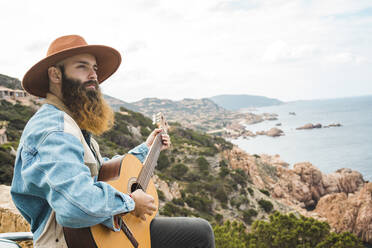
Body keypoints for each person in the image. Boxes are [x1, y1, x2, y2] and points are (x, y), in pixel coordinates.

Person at [11, 35, 215, 248]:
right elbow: (75, 204)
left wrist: (146, 149)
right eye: (82, 67)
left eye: (95, 68)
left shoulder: (70, 124)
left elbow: (103, 172)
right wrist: (130, 203)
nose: (94, 75)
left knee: (197, 232)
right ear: (55, 74)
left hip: (100, 234)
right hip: (70, 243)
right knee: (199, 234)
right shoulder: (54, 130)